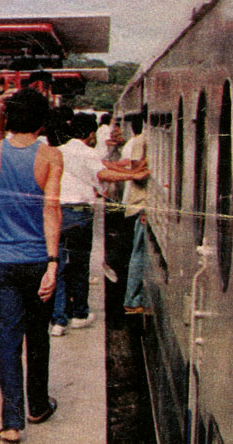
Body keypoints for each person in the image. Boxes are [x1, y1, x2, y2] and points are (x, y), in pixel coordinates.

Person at [0, 88, 62, 443]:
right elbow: (51, 209)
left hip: (0, 261)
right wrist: (52, 261)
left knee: (8, 343)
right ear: (43, 121)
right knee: (38, 337)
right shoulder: (51, 156)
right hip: (35, 260)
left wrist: (1, 113)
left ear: (10, 118)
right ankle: (38, 404)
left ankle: (12, 422)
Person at [49, 114, 150, 337]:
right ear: (91, 134)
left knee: (59, 266)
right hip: (80, 214)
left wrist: (130, 170)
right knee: (80, 265)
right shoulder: (87, 152)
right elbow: (102, 172)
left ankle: (58, 320)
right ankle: (80, 315)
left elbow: (103, 165)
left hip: (58, 213)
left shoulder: (60, 150)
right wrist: (134, 175)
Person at [120, 115, 150, 313]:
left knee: (139, 253)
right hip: (141, 204)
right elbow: (136, 171)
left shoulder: (144, 139)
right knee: (139, 253)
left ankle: (134, 298)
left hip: (142, 204)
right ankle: (132, 300)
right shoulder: (141, 141)